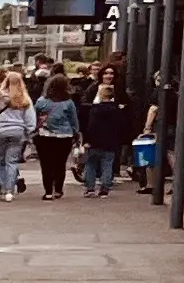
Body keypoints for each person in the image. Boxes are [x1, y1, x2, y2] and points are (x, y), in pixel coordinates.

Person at [0, 67, 36, 200]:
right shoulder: (24, 97)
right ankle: (9, 191)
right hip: (17, 132)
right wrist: (28, 131)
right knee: (11, 161)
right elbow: (30, 119)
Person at [79, 66, 134, 194]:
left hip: (103, 134)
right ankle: (104, 186)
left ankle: (92, 186)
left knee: (96, 161)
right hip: (105, 133)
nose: (109, 76)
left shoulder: (119, 90)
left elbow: (127, 107)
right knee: (104, 161)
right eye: (106, 73)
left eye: (111, 73)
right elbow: (84, 105)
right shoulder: (93, 88)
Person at [34, 67, 82, 201]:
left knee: (46, 164)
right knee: (60, 164)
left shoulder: (42, 101)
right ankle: (58, 190)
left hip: (45, 136)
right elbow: (74, 120)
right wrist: (76, 134)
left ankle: (48, 191)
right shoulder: (69, 102)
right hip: (64, 137)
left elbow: (35, 116)